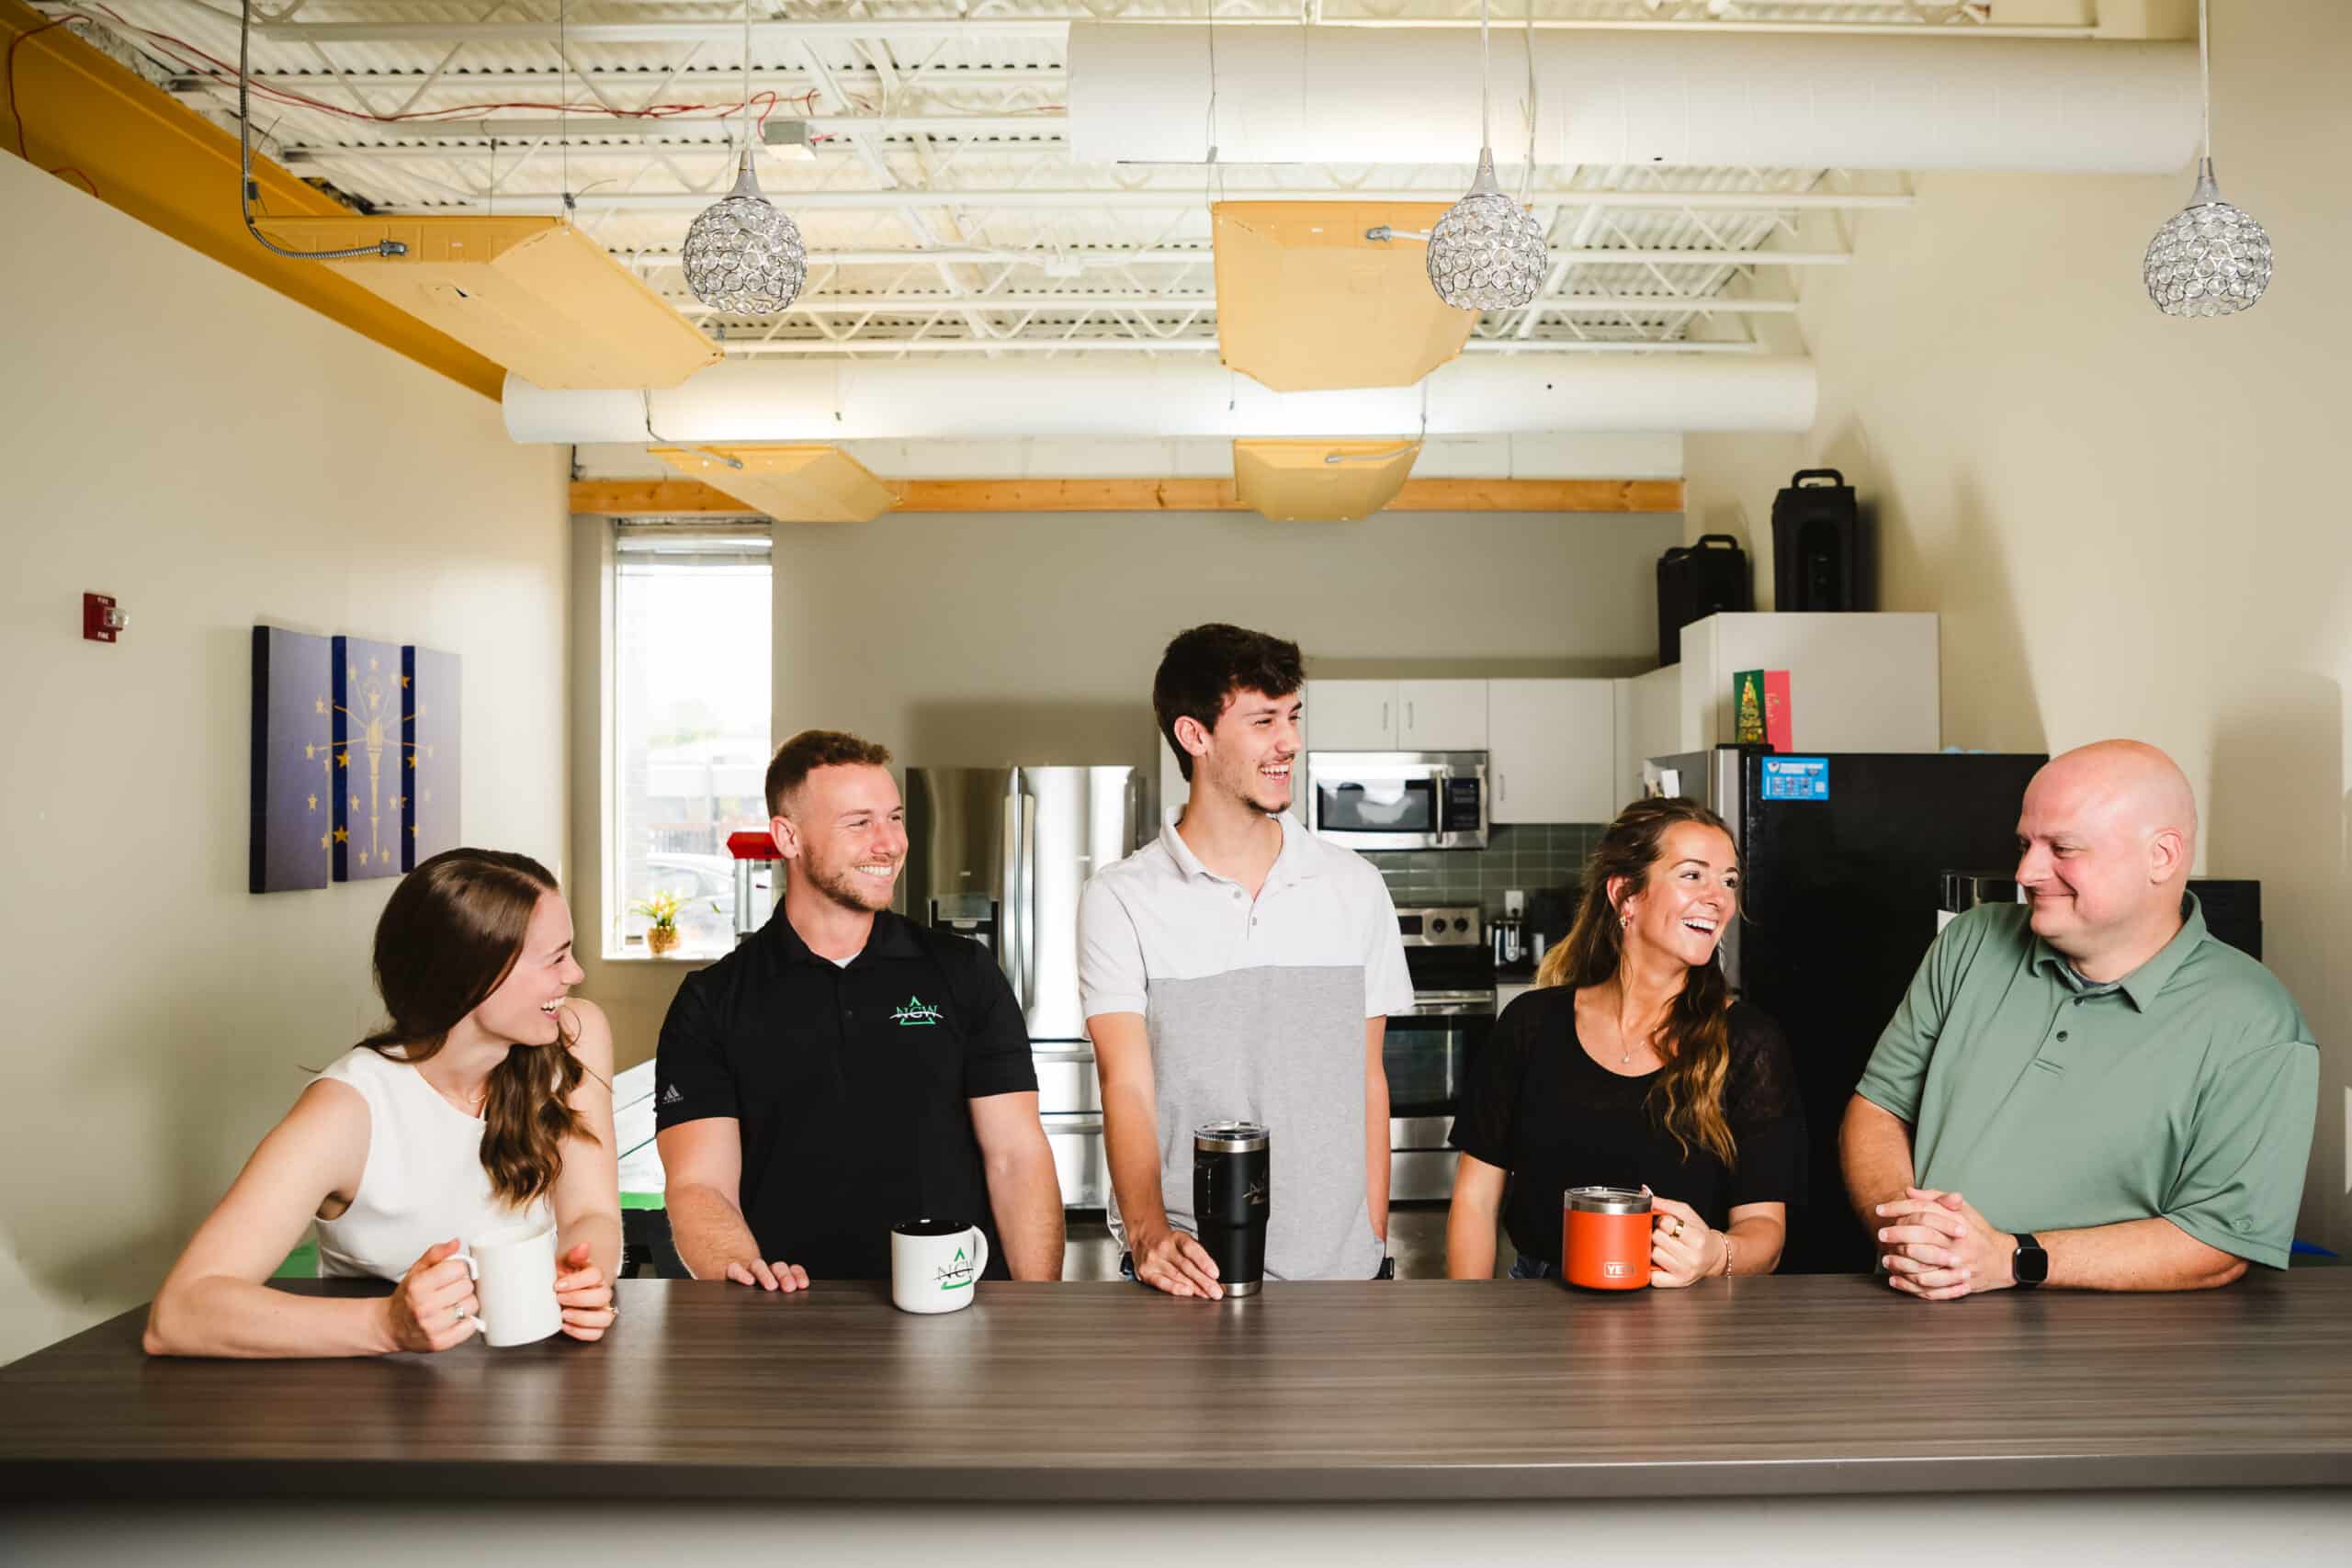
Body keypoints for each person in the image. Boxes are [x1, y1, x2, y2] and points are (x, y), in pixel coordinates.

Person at [1844, 739, 2318, 1299]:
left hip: (2107, 1361)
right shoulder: (1969, 942)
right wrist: (1909, 1234)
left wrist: (2014, 1258)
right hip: (1919, 1325)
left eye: (2063, 848)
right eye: (2025, 844)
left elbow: (2219, 1244)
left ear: (2161, 857)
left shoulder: (2257, 1024)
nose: (2026, 871)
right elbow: (1877, 1110)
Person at [145, 849, 619, 1357]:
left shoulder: (574, 1035)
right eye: (556, 957)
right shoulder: (346, 1112)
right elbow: (178, 1315)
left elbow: (591, 1210)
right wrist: (386, 1325)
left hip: (533, 1370)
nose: (576, 973)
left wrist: (583, 1275)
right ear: (477, 974)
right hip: (383, 1402)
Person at [654, 729, 1063, 1289]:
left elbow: (1017, 1157)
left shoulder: (964, 972)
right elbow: (701, 1185)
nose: (890, 843)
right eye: (860, 822)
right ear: (788, 838)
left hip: (958, 1308)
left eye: (894, 818)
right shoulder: (712, 1000)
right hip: (792, 1318)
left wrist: (1039, 1312)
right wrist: (751, 1289)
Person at [1080, 625, 1413, 1297]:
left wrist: (1372, 1233)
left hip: (1342, 1277)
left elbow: (1367, 1076)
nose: (1288, 741)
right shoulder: (1121, 898)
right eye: (1263, 720)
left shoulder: (1355, 886)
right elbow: (1127, 1085)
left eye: (1292, 717)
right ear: (1194, 735)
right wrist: (1147, 1236)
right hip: (1188, 1273)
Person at [1446, 797, 1804, 1283]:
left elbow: (1765, 1232)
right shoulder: (1531, 1024)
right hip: (1535, 1308)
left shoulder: (1749, 1042)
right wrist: (1469, 1326)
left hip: (1686, 1322)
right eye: (1693, 875)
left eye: (1729, 880)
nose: (1719, 898)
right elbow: (1474, 1200)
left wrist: (1716, 1254)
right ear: (1625, 896)